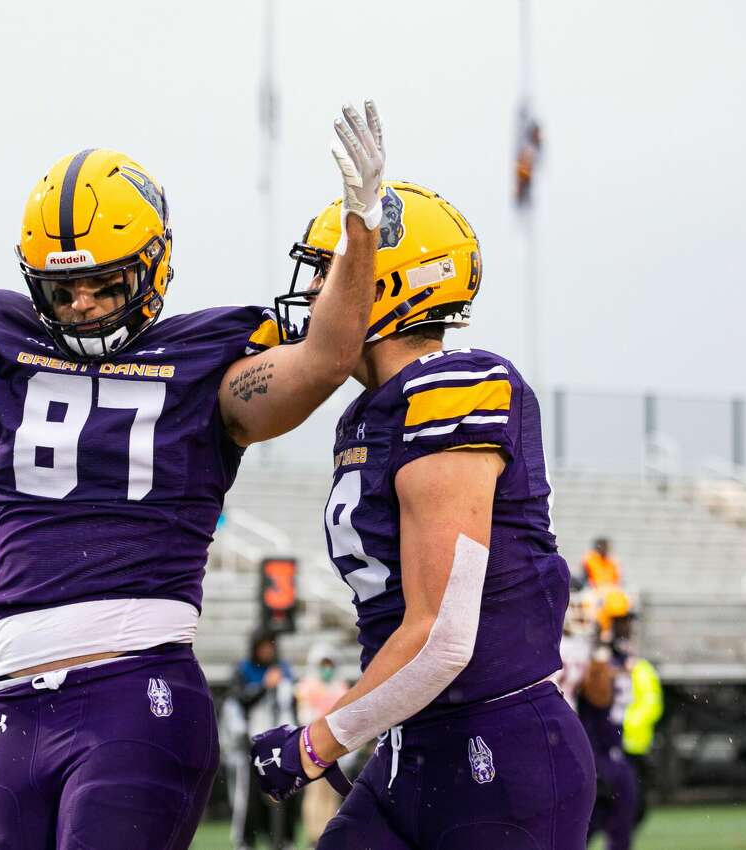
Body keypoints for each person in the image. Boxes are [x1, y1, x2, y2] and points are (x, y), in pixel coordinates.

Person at [0, 18, 386, 848]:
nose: (82, 307)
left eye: (104, 286)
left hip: (136, 696)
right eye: (62, 291)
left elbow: (325, 358)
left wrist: (361, 227)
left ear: (153, 263)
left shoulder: (204, 365)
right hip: (18, 714)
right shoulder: (0, 354)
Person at [251, 186, 596, 849]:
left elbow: (444, 634)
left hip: (498, 748)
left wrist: (314, 744)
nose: (319, 289)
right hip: (411, 749)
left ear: (390, 286)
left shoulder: (452, 387)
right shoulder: (371, 411)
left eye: (332, 269)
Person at [581, 589, 640, 850]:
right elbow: (596, 701)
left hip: (616, 753)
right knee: (583, 830)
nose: (628, 627)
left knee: (621, 829)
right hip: (598, 753)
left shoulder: (621, 658)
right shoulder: (596, 660)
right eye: (622, 620)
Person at [229, 632, 297, 850]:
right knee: (250, 798)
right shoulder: (244, 670)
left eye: (270, 647)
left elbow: (291, 703)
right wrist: (264, 686)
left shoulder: (282, 669)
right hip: (254, 743)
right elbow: (241, 700)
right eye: (263, 647)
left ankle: (283, 839)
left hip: (280, 743)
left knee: (285, 794)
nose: (267, 651)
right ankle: (246, 840)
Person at [295, 645, 349, 846]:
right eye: (323, 664)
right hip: (313, 747)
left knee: (332, 794)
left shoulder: (340, 687)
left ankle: (328, 833)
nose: (327, 668)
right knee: (314, 793)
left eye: (330, 664)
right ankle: (314, 835)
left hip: (335, 749)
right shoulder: (307, 687)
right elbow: (304, 717)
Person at [622, 655, 663, 829]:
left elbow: (651, 705)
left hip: (633, 745)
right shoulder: (635, 670)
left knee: (633, 799)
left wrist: (625, 724)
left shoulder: (640, 671)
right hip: (627, 744)